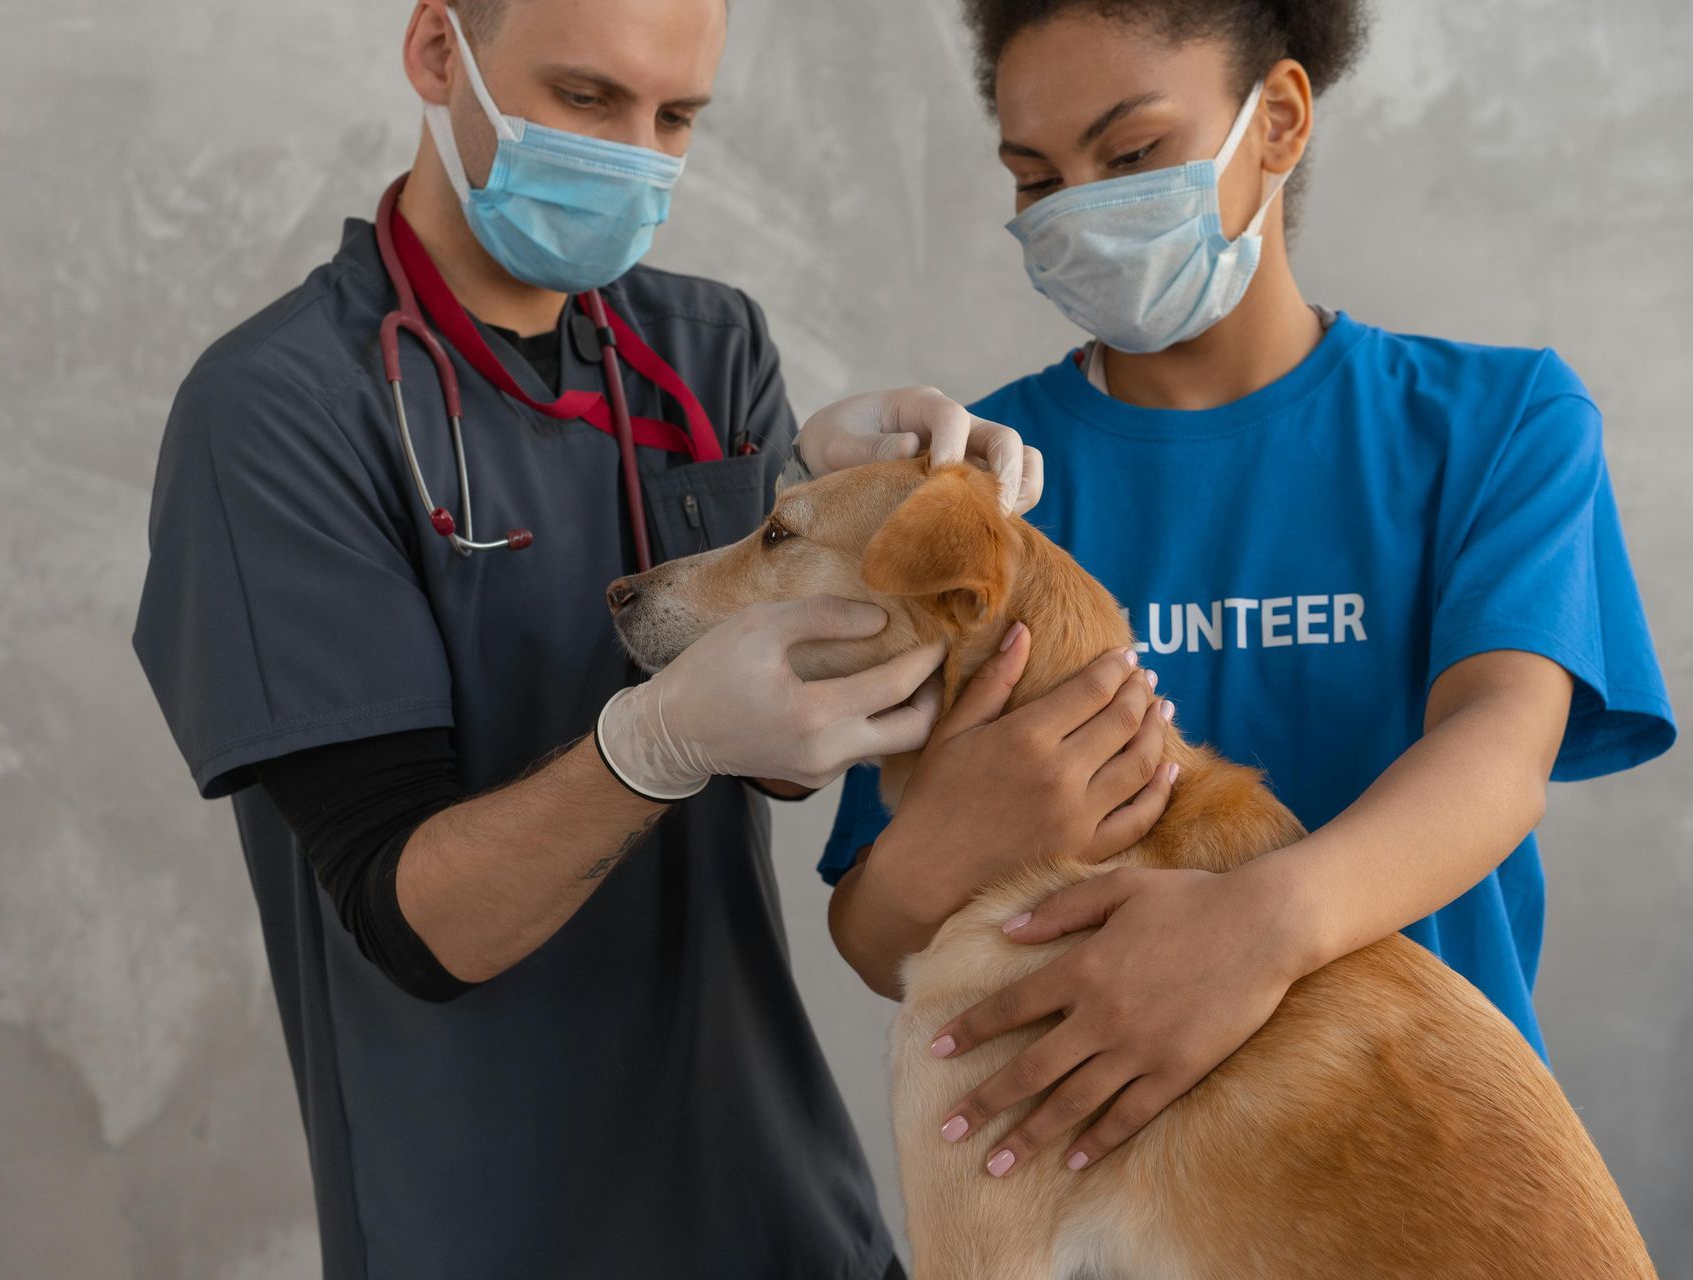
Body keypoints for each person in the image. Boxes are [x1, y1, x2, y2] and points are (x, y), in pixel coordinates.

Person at [130, 1, 1173, 1276]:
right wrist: (653, 742)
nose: (635, 153)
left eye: (675, 117)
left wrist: (845, 518)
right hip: (489, 1219)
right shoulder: (281, 412)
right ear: (437, 53)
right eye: (585, 98)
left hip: (779, 1204)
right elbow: (419, 923)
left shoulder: (705, 347)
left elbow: (785, 754)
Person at [820, 0, 1677, 1186]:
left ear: (1275, 119)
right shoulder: (974, 494)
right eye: (1035, 177)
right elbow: (872, 931)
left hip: (1422, 1173)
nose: (1076, 210)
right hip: (1107, 1207)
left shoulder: (1498, 424)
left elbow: (1499, 749)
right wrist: (934, 852)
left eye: (1129, 158)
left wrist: (1257, 929)